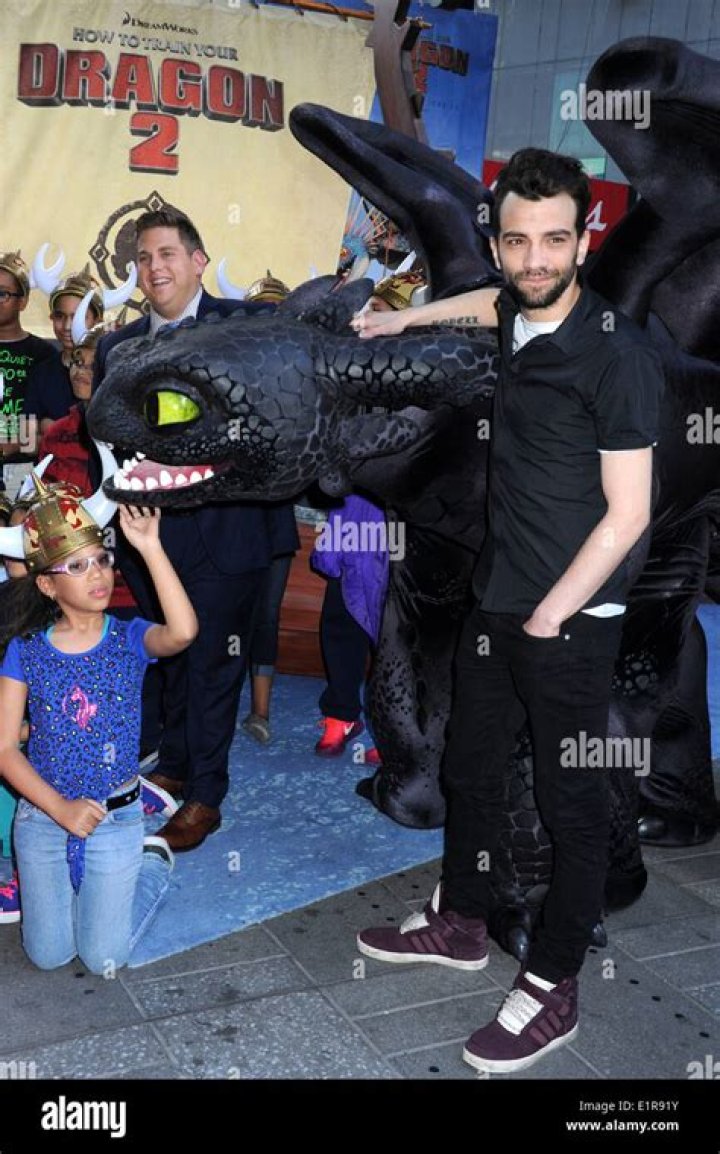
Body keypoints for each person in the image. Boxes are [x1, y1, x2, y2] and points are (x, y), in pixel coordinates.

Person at [353, 147, 665, 1073]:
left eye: (554, 241)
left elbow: (631, 514)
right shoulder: (515, 311)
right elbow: (489, 305)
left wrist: (548, 616)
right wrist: (399, 320)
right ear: (497, 239)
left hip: (569, 619)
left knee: (571, 806)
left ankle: (554, 983)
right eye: (518, 240)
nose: (535, 259)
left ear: (585, 237)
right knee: (472, 767)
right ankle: (461, 918)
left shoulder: (617, 355)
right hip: (500, 599)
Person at [95, 207, 295, 851]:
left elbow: (275, 419)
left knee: (213, 664)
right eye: (144, 258)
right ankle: (176, 765)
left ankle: (206, 796)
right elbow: (108, 438)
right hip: (146, 535)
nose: (155, 268)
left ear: (199, 261)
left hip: (228, 533)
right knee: (170, 660)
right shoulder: (116, 348)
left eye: (168, 254)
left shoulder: (247, 327)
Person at [0, 477, 198, 973]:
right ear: (47, 584)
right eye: (78, 565)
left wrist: (150, 548)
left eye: (102, 559)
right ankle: (89, 898)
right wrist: (61, 810)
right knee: (48, 955)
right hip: (43, 818)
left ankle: (151, 863)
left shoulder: (128, 638)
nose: (99, 573)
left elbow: (182, 632)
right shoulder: (25, 649)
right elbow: (4, 749)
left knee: (103, 957)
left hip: (116, 819)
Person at [24, 267, 104, 436]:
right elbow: (26, 440)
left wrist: (51, 429)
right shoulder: (41, 373)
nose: (68, 326)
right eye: (60, 316)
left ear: (98, 320)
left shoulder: (110, 371)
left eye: (78, 317)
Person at [0, 251, 54, 494]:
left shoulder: (44, 354)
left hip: (23, 472)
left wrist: (11, 442)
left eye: (2, 294)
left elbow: (52, 431)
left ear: (23, 301)